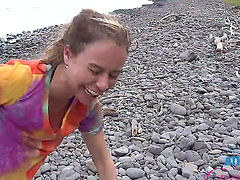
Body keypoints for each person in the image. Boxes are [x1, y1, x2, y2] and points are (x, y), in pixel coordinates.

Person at [0, 9, 130, 180]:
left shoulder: (85, 108)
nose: (103, 84)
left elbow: (104, 161)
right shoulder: (21, 80)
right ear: (68, 55)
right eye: (94, 70)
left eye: (113, 75)